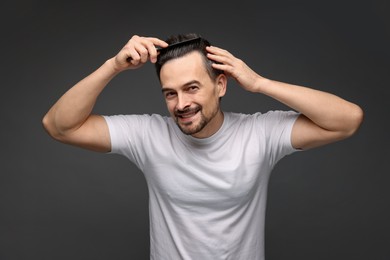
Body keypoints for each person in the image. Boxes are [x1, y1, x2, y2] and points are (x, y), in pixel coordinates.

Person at [42, 33, 363, 260]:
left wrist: (259, 83)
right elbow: (58, 126)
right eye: (170, 93)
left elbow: (348, 119)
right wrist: (113, 65)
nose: (182, 103)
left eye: (192, 88)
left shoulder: (259, 133)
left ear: (220, 84)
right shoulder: (148, 135)